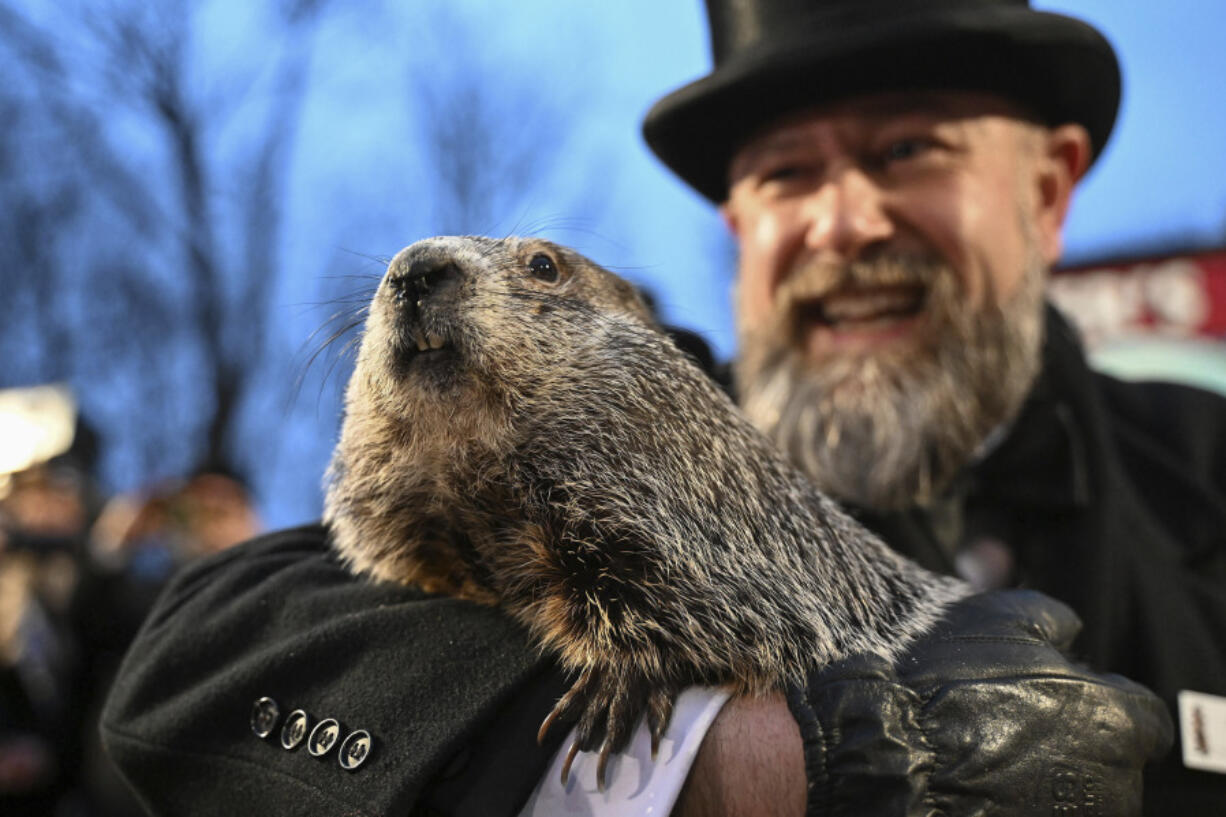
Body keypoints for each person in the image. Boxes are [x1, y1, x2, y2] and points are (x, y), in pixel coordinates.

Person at [100, 0, 1223, 814]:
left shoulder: (1204, 460)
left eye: (905, 150)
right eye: (784, 175)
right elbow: (198, 658)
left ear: (1044, 193)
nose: (841, 224)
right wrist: (734, 761)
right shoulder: (616, 414)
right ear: (738, 232)